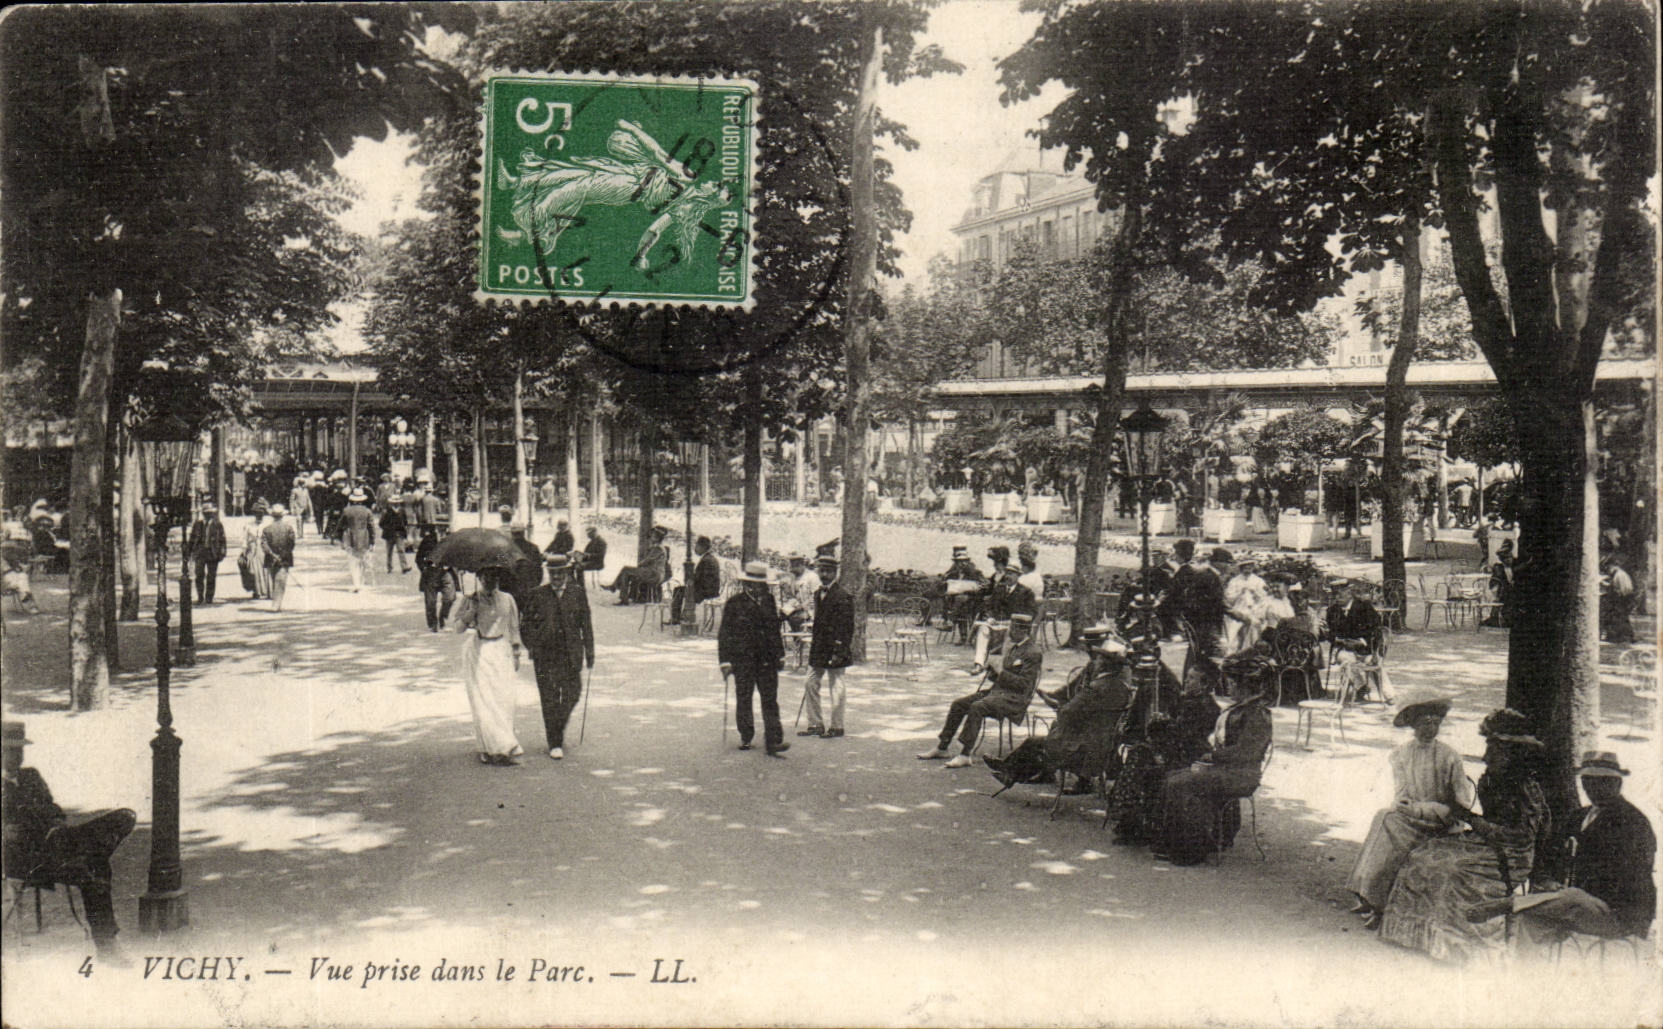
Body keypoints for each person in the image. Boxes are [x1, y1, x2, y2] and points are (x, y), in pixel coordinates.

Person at [1378, 708, 1551, 963]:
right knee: (1422, 855)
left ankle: (1458, 945)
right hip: (1487, 843)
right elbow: (1484, 819)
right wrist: (1471, 819)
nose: (1485, 757)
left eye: (1494, 751)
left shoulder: (1526, 789)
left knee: (1453, 869)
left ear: (1512, 754)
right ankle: (1416, 934)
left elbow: (1521, 837)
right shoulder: (1490, 780)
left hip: (1512, 855)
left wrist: (1474, 821)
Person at [1468, 750, 1656, 951]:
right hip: (1572, 906)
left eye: (1602, 781)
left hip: (1619, 914)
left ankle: (1509, 904)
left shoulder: (1633, 822)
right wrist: (1550, 881)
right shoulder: (1579, 816)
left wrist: (1576, 890)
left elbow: (1631, 877)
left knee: (1573, 896)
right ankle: (1527, 978)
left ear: (1617, 784)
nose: (1592, 787)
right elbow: (1554, 854)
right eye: (1587, 781)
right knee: (1530, 920)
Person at [2, 721, 137, 957]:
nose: (17, 756)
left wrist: (54, 825)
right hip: (28, 858)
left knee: (124, 817)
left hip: (58, 839)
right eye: (10, 750)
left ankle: (85, 851)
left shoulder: (31, 776)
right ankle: (107, 945)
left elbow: (55, 811)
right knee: (95, 866)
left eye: (20, 750)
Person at [1345, 694, 1473, 928]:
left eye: (1435, 723)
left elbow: (1461, 804)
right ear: (1413, 726)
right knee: (1384, 816)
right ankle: (1365, 892)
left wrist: (1423, 810)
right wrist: (1406, 806)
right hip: (1412, 817)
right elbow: (1401, 792)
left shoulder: (1449, 756)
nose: (1431, 729)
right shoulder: (1401, 754)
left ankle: (1379, 902)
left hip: (1440, 822)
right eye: (1425, 723)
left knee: (1391, 826)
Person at [986, 630, 1142, 791]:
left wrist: (1056, 705)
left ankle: (1010, 773)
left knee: (1035, 742)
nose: (1096, 660)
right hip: (1104, 744)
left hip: (1083, 748)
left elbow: (1067, 712)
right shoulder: (1120, 683)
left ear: (1106, 663)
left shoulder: (1096, 688)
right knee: (1044, 739)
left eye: (1100, 657)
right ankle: (1011, 769)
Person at [1153, 669, 1273, 865]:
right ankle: (1184, 841)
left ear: (1245, 687)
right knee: (1174, 776)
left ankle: (1189, 851)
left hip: (1241, 776)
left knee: (1180, 783)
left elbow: (1248, 752)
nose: (1229, 687)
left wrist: (1214, 755)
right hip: (1227, 770)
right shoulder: (1243, 708)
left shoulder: (1257, 714)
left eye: (1233, 684)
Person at [1111, 661, 1223, 846]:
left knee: (1140, 760)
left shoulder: (1205, 707)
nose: (1186, 682)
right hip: (1178, 749)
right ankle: (1134, 823)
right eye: (1187, 677)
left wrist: (1161, 727)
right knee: (1139, 754)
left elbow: (1182, 735)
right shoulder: (1189, 701)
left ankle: (1137, 825)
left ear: (1205, 684)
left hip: (1188, 755)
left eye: (1192, 679)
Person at [918, 611, 1043, 769]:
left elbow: (1024, 685)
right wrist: (991, 671)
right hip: (998, 692)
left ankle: (965, 754)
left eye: (1012, 628)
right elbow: (1004, 676)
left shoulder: (1033, 652)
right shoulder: (1015, 648)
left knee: (978, 707)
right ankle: (942, 747)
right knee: (959, 704)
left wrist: (1000, 672)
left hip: (1014, 699)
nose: (1009, 632)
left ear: (1022, 630)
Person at [522, 553, 595, 760]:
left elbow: (586, 625)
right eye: (553, 573)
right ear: (548, 573)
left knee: (573, 693)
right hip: (545, 657)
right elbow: (525, 625)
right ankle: (555, 742)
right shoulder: (537, 594)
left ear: (567, 572)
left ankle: (557, 727)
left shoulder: (577, 593)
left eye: (560, 572)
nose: (557, 576)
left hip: (570, 654)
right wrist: (533, 646)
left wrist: (590, 652)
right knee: (550, 699)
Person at [453, 566, 525, 766]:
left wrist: (517, 652)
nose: (490, 581)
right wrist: (471, 611)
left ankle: (503, 744)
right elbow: (457, 628)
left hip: (501, 651)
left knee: (503, 700)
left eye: (494, 577)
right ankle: (488, 747)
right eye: (486, 577)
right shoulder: (470, 599)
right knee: (483, 701)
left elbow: (513, 627)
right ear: (479, 577)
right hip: (479, 651)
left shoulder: (507, 599)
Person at [718, 561, 789, 757]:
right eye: (754, 584)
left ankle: (774, 741)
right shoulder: (734, 603)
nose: (758, 587)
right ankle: (746, 735)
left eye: (761, 584)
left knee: (770, 700)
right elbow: (725, 634)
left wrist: (780, 654)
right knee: (744, 697)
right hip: (743, 660)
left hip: (767, 660)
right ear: (746, 584)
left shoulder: (769, 601)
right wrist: (725, 661)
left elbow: (774, 630)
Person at [798, 554, 852, 739]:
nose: (825, 574)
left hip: (836, 648)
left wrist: (839, 650)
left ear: (835, 573)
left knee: (836, 687)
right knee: (810, 682)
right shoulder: (817, 593)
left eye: (829, 571)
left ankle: (837, 726)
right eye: (822, 570)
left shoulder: (843, 596)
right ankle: (815, 724)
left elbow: (846, 628)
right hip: (819, 647)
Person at [969, 556, 1037, 677]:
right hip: (996, 624)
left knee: (1008, 633)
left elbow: (1031, 612)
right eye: (1007, 574)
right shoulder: (999, 589)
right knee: (983, 629)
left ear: (1018, 576)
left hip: (1014, 627)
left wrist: (1014, 621)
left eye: (1011, 574)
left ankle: (1000, 667)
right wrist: (989, 617)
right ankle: (979, 664)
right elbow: (988, 606)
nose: (1008, 577)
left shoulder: (1026, 592)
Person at [1321, 578, 1388, 701]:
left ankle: (1388, 696)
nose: (1337, 597)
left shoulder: (1364, 607)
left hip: (1366, 648)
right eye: (1335, 594)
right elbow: (1329, 633)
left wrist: (1362, 642)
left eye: (1340, 594)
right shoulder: (1332, 611)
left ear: (1349, 592)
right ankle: (1361, 687)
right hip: (1344, 649)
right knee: (1346, 660)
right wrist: (1339, 640)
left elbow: (1376, 630)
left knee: (1374, 663)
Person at [1181, 547, 1228, 658]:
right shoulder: (1210, 576)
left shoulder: (1205, 573)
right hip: (1206, 622)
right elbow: (1217, 601)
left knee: (1195, 652)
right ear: (1218, 563)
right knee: (1212, 654)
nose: (1228, 567)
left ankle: (1190, 674)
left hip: (1199, 621)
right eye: (1227, 563)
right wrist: (1238, 615)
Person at [603, 527, 670, 604]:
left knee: (626, 570)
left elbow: (647, 561)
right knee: (626, 573)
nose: (651, 538)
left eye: (653, 536)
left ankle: (618, 591)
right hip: (653, 573)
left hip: (654, 574)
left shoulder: (658, 548)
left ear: (657, 538)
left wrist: (639, 565)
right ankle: (620, 593)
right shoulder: (658, 547)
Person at [1221, 556, 1271, 656]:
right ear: (1241, 568)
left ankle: (1253, 654)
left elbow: (1265, 598)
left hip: (1253, 610)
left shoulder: (1258, 581)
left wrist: (1255, 593)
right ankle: (1231, 655)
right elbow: (1228, 597)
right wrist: (1240, 592)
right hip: (1238, 610)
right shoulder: (1234, 581)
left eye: (1250, 566)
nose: (1248, 568)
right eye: (1245, 566)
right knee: (1232, 633)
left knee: (1255, 630)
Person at [938, 544, 986, 642]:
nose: (961, 564)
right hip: (956, 603)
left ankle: (950, 621)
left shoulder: (975, 572)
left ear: (968, 562)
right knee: (957, 604)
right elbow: (943, 584)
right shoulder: (952, 573)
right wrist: (945, 583)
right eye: (958, 562)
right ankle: (962, 636)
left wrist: (971, 585)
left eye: (963, 562)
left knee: (961, 599)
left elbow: (983, 584)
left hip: (972, 599)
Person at [415, 526, 459, 632]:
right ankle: (432, 623)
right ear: (436, 528)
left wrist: (457, 567)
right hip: (431, 572)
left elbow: (458, 556)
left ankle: (442, 617)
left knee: (450, 597)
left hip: (446, 572)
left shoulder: (452, 539)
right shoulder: (428, 539)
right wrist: (424, 569)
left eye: (444, 526)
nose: (442, 530)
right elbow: (419, 557)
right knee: (430, 601)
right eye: (440, 527)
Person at [187, 502, 227, 605]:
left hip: (213, 552)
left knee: (211, 576)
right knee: (199, 574)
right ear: (203, 514)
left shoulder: (218, 525)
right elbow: (192, 538)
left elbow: (222, 539)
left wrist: (222, 552)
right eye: (206, 513)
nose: (209, 515)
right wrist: (189, 551)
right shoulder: (198, 524)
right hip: (200, 552)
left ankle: (209, 597)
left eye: (210, 513)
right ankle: (200, 596)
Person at [337, 489, 376, 593]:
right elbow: (371, 527)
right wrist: (373, 541)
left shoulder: (347, 511)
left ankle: (356, 583)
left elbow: (340, 526)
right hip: (364, 537)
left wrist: (340, 539)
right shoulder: (367, 511)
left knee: (353, 562)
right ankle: (361, 583)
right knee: (362, 561)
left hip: (350, 537)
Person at [1158, 538, 1197, 639]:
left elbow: (1175, 589)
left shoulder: (1184, 570)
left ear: (1180, 556)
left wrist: (1163, 596)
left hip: (1182, 602)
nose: (1174, 556)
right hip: (1186, 600)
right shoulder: (1190, 568)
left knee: (1161, 606)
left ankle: (1170, 632)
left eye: (1176, 553)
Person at [1598, 549, 1636, 643]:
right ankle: (1625, 636)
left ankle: (1620, 637)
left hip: (1623, 600)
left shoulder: (1619, 575)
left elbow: (1621, 590)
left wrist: (1608, 588)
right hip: (1624, 599)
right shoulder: (1619, 574)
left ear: (1613, 566)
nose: (1608, 570)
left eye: (1609, 568)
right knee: (1621, 618)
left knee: (1618, 617)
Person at [241, 509, 271, 600]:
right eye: (257, 513)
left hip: (263, 549)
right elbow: (244, 539)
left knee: (266, 570)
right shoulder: (248, 526)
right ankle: (257, 591)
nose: (259, 515)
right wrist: (244, 552)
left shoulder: (267, 525)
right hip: (252, 549)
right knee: (254, 570)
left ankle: (267, 591)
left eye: (261, 513)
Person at [379, 502, 411, 575]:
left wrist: (403, 529)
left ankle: (404, 567)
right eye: (394, 503)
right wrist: (387, 529)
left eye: (397, 502)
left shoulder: (402, 511)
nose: (396, 504)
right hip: (390, 534)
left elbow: (405, 521)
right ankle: (389, 567)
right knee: (389, 551)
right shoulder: (387, 511)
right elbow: (381, 523)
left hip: (399, 534)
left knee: (401, 550)